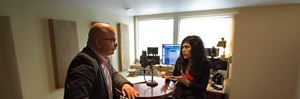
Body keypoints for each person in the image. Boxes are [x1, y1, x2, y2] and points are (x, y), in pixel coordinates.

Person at [64, 22, 138, 99]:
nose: (116, 44)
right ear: (99, 43)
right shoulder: (84, 62)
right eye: (113, 40)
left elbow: (113, 73)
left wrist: (124, 84)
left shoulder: (103, 58)